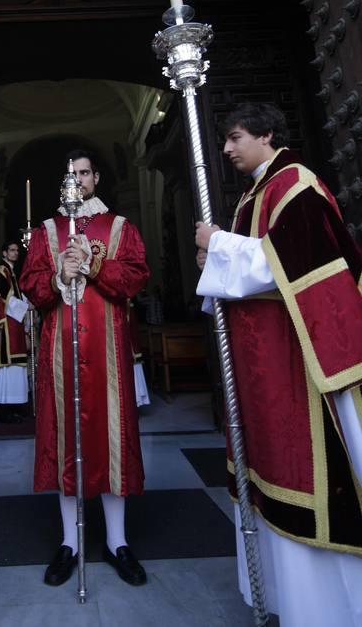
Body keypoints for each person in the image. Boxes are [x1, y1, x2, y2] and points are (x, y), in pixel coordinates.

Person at [194, 101, 362, 627]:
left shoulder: (295, 184)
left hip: (298, 364)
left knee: (309, 468)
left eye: (235, 137)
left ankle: (329, 610)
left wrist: (218, 245)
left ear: (267, 134)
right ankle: (287, 603)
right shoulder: (255, 193)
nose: (226, 149)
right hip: (263, 366)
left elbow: (293, 262)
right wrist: (217, 256)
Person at [21, 149, 150, 586]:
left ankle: (118, 541)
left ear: (96, 177)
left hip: (109, 354)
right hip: (60, 354)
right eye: (70, 173)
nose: (77, 179)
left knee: (112, 440)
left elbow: (136, 276)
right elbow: (32, 288)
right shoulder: (46, 231)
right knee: (66, 440)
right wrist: (59, 274)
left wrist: (94, 265)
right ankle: (69, 542)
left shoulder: (119, 228)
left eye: (83, 172)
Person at [0, 240, 30, 423]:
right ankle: (4, 409)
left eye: (17, 250)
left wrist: (26, 303)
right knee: (8, 365)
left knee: (16, 365)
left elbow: (15, 296)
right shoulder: (2, 271)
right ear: (4, 253)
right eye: (11, 250)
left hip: (15, 324)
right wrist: (25, 307)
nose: (15, 253)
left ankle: (14, 407)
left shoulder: (11, 272)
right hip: (7, 325)